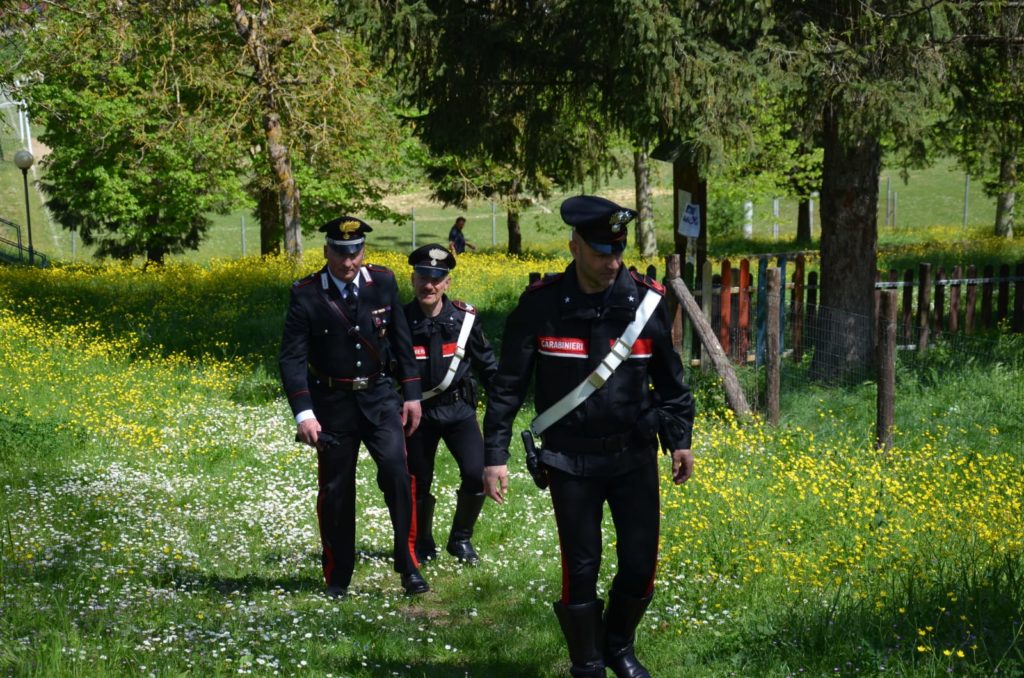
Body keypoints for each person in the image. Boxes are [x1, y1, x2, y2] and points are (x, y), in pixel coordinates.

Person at [482, 195, 696, 677]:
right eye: (602, 252)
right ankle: (588, 663)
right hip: (569, 461)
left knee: (640, 563)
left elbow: (672, 383)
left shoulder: (646, 302)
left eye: (618, 252)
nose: (612, 262)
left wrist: (680, 439)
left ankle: (618, 646)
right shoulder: (541, 307)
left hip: (633, 456)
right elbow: (507, 387)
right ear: (575, 245)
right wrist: (494, 455)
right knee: (581, 566)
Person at [278, 215, 430, 597]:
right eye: (342, 253)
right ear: (327, 251)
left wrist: (411, 394)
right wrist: (304, 413)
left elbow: (400, 339)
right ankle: (337, 576)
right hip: (332, 404)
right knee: (336, 491)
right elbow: (292, 358)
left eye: (356, 252)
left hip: (379, 399)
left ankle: (408, 564)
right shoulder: (307, 293)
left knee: (398, 475)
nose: (350, 262)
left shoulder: (383, 282)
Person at [403, 243, 498, 565]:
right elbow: (387, 371)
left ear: (447, 282)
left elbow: (487, 366)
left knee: (475, 473)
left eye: (437, 278)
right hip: (418, 416)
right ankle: (422, 541)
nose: (429, 284)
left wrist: (503, 405)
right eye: (423, 276)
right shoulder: (399, 321)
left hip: (458, 411)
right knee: (419, 479)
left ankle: (460, 540)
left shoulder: (464, 319)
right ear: (413, 278)